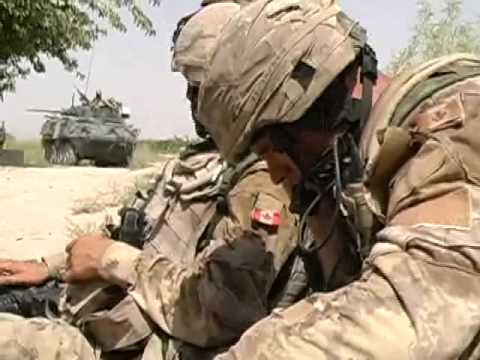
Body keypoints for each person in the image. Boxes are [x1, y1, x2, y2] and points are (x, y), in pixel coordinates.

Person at [0, 3, 303, 359]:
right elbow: (142, 235)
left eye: (199, 86)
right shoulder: (201, 161)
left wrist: (110, 260)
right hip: (100, 314)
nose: (192, 100)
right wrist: (49, 265)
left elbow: (223, 311)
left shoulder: (265, 178)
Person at [197, 0, 480, 358]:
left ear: (316, 108)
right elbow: (346, 287)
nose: (273, 172)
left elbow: (414, 314)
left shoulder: (458, 130)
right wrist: (320, 206)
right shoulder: (361, 167)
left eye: (272, 150)